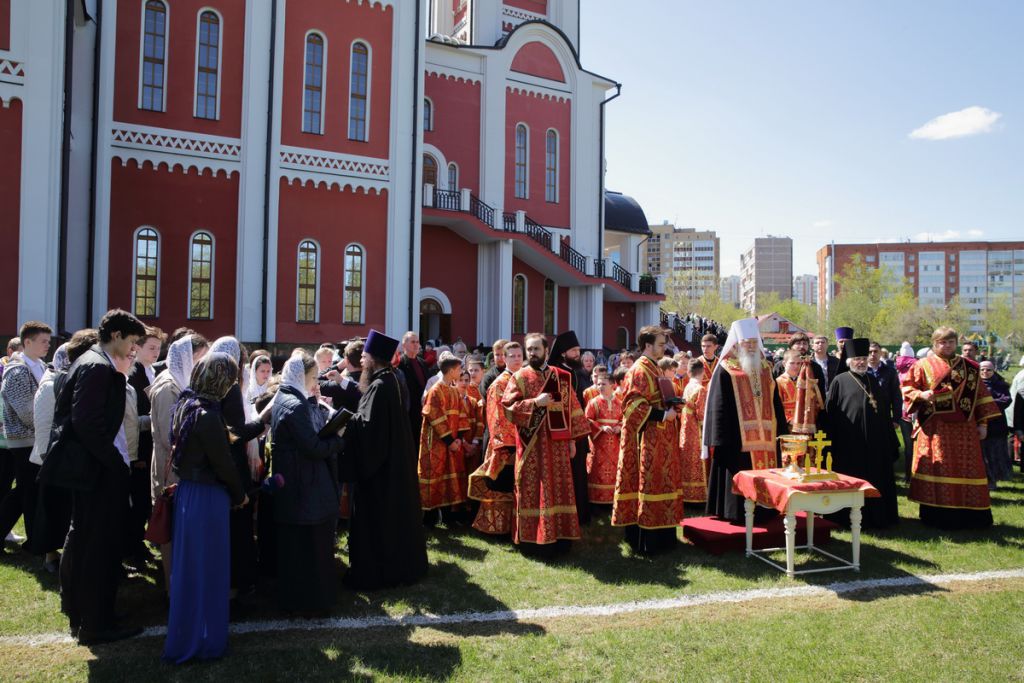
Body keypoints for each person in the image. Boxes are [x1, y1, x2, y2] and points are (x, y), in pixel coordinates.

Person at [41, 309, 145, 644]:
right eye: (131, 342)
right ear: (115, 335)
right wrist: (115, 462)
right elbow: (87, 423)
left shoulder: (90, 361)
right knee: (99, 545)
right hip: (95, 471)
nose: (133, 350)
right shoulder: (98, 366)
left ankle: (84, 610)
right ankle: (95, 623)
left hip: (88, 469)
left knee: (84, 538)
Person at [163, 352, 247, 663]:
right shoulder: (208, 415)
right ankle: (205, 640)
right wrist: (240, 494)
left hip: (190, 493)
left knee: (191, 568)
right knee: (208, 569)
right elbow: (223, 463)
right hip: (207, 496)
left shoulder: (187, 403)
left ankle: (191, 633)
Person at [342, 330, 428, 589]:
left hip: (381, 471)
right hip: (395, 464)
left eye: (365, 357)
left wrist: (344, 422)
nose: (362, 361)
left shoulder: (380, 386)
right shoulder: (389, 379)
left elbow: (369, 431)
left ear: (373, 359)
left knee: (378, 522)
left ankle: (377, 571)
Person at [901, 327, 1001, 529]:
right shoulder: (922, 365)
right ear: (934, 343)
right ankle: (936, 515)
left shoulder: (970, 368)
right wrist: (921, 395)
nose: (946, 346)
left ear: (956, 343)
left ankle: (970, 516)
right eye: (942, 342)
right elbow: (907, 387)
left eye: (950, 342)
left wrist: (983, 424)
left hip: (966, 429)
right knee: (938, 466)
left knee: (967, 470)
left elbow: (981, 397)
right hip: (935, 429)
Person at [271, 350, 345, 614]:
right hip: (305, 484)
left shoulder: (286, 396)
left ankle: (298, 598)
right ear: (300, 376)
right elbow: (312, 447)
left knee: (299, 547)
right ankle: (313, 601)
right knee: (311, 547)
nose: (316, 383)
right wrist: (338, 437)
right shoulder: (296, 405)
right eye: (313, 377)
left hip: (296, 483)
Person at [502, 333, 589, 552]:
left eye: (536, 349)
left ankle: (560, 538)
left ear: (546, 351)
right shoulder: (519, 377)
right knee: (533, 489)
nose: (532, 353)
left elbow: (572, 408)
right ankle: (533, 541)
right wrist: (534, 403)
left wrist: (571, 441)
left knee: (559, 488)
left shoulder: (560, 376)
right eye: (529, 349)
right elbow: (508, 408)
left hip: (558, 445)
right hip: (531, 445)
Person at [703, 318, 788, 524]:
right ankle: (736, 512)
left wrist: (782, 431)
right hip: (737, 439)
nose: (750, 346)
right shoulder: (726, 369)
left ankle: (766, 510)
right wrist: (720, 438)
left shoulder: (767, 368)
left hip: (767, 438)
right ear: (737, 343)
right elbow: (718, 405)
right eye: (746, 342)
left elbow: (775, 401)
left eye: (753, 342)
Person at [611, 326, 684, 554]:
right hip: (647, 442)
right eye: (661, 344)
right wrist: (663, 414)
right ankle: (647, 542)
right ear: (647, 345)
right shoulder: (639, 370)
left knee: (663, 483)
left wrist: (672, 404)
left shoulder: (655, 368)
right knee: (649, 485)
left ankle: (664, 538)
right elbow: (632, 407)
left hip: (662, 441)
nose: (665, 347)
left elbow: (656, 398)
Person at [823, 338, 899, 528]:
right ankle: (844, 517)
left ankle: (877, 517)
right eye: (857, 358)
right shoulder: (840, 381)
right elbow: (830, 413)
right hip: (849, 444)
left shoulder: (873, 380)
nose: (862, 362)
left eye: (864, 358)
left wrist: (889, 438)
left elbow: (881, 410)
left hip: (876, 443)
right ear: (849, 360)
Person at [148, 334, 197, 592]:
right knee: (171, 529)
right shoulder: (169, 387)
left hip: (177, 465)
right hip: (170, 469)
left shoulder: (180, 382)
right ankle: (172, 589)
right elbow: (170, 435)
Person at [0, 321, 52, 549]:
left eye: (49, 342)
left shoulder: (40, 365)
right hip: (24, 439)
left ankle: (35, 541)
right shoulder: (18, 370)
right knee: (26, 491)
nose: (47, 345)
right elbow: (26, 411)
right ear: (27, 342)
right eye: (43, 341)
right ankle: (35, 542)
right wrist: (47, 428)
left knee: (29, 491)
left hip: (37, 438)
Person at [468, 341, 523, 536]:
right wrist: (507, 443)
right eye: (512, 356)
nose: (516, 359)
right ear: (504, 358)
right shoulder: (500, 383)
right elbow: (495, 416)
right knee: (500, 486)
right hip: (504, 445)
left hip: (522, 443)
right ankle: (495, 528)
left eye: (519, 356)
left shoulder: (523, 378)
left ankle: (514, 527)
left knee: (515, 486)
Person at [124, 325, 164, 566]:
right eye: (151, 348)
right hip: (139, 445)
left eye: (158, 348)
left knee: (144, 500)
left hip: (149, 443)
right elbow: (133, 414)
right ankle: (133, 546)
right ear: (136, 348)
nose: (155, 352)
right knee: (137, 500)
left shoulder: (152, 371)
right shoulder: (134, 372)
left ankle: (140, 543)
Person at [417, 352, 470, 525]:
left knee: (450, 477)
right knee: (435, 477)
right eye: (459, 369)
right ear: (452, 370)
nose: (461, 371)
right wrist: (450, 441)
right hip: (437, 444)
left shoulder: (454, 391)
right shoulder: (435, 390)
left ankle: (449, 517)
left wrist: (459, 439)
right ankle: (429, 519)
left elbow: (462, 415)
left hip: (452, 443)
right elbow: (434, 416)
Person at [547, 330, 592, 525]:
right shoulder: (554, 372)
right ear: (563, 352)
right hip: (562, 430)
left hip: (579, 429)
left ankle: (580, 513)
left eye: (579, 350)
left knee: (579, 471)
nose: (578, 354)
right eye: (574, 350)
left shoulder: (578, 371)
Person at [584, 373, 621, 506]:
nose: (600, 387)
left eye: (603, 384)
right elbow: (587, 420)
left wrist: (620, 427)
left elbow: (625, 420)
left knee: (614, 469)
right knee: (597, 469)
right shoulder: (593, 402)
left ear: (612, 385)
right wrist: (601, 426)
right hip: (599, 443)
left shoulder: (620, 403)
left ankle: (612, 499)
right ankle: (596, 501)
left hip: (615, 445)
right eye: (598, 384)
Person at [978, 361, 1013, 490]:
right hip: (979, 424)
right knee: (981, 455)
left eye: (988, 370)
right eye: (982, 370)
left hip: (996, 426)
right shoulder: (974, 384)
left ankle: (993, 480)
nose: (985, 373)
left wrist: (987, 404)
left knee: (994, 455)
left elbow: (1006, 399)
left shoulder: (1000, 385)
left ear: (994, 371)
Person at [679, 358, 708, 503]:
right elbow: (701, 413)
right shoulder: (700, 389)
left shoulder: (688, 386)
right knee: (697, 457)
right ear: (703, 372)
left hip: (685, 423)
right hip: (695, 426)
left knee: (687, 456)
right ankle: (697, 495)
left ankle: (685, 493)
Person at [775, 349, 823, 434]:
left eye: (798, 363)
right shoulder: (778, 382)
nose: (796, 366)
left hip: (806, 422)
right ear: (784, 363)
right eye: (792, 363)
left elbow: (814, 403)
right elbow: (776, 406)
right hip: (787, 424)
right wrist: (789, 419)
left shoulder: (806, 381)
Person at [398, 332, 430, 446]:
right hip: (409, 412)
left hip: (423, 411)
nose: (416, 345)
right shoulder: (400, 364)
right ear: (404, 345)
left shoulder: (422, 362)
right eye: (412, 342)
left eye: (417, 342)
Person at [894, 344, 918, 481]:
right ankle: (914, 474)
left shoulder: (899, 371)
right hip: (915, 410)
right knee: (917, 445)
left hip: (904, 412)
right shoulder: (918, 367)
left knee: (909, 445)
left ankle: (908, 475)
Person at [866, 341, 902, 427]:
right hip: (865, 416)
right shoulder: (860, 372)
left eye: (875, 351)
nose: (873, 354)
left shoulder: (890, 371)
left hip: (884, 415)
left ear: (881, 353)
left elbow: (896, 395)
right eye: (870, 352)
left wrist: (896, 418)